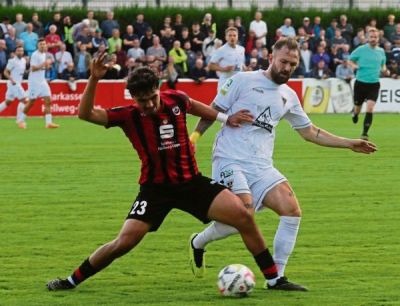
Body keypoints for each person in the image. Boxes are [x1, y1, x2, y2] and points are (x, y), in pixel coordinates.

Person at [45, 60, 303, 292]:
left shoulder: (176, 100)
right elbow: (85, 114)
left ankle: (274, 279)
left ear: (159, 90)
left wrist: (226, 118)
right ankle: (70, 280)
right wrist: (93, 79)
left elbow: (199, 108)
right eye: (142, 100)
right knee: (124, 242)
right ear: (133, 98)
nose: (148, 104)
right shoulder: (127, 116)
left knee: (244, 217)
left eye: (152, 97)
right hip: (155, 190)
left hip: (192, 183)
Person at [188, 37, 377, 289]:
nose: (288, 68)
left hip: (261, 165)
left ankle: (277, 279)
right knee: (244, 215)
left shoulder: (289, 95)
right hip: (229, 159)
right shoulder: (242, 81)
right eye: (284, 61)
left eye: (293, 64)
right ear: (271, 58)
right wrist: (194, 138)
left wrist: (349, 143)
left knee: (291, 210)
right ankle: (198, 242)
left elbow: (310, 132)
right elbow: (211, 111)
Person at [349, 27, 387, 140]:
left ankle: (364, 133)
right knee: (357, 108)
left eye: (375, 37)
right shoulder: (360, 50)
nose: (373, 39)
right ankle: (355, 114)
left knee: (370, 108)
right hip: (360, 83)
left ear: (378, 38)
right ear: (367, 38)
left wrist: (385, 70)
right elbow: (350, 60)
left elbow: (383, 64)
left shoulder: (381, 51)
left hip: (374, 84)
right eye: (371, 37)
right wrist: (354, 66)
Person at [20, 39, 59, 129]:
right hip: (34, 82)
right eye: (41, 44)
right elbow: (33, 68)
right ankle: (21, 120)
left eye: (44, 44)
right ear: (38, 46)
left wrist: (46, 66)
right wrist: (44, 64)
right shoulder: (35, 55)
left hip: (42, 81)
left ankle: (48, 123)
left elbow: (42, 67)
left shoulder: (44, 54)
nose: (42, 45)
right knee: (31, 102)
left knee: (48, 100)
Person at [0, 46, 28, 128]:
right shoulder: (12, 61)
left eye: (22, 51)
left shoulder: (23, 60)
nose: (20, 52)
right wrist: (11, 79)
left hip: (17, 83)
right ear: (15, 52)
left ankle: (20, 121)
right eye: (18, 51)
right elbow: (5, 72)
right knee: (25, 101)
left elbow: (21, 72)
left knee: (7, 102)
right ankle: (20, 121)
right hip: (14, 84)